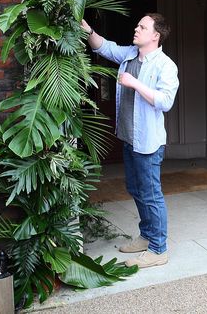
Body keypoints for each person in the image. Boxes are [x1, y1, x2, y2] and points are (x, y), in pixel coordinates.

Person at [81, 14, 179, 268]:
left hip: (147, 142)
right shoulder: (129, 55)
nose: (136, 29)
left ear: (155, 35)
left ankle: (159, 250)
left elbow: (165, 102)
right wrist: (88, 29)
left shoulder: (165, 65)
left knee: (151, 194)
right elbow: (105, 47)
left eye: (142, 27)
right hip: (129, 137)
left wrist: (135, 83)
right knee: (136, 190)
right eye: (138, 25)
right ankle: (146, 236)